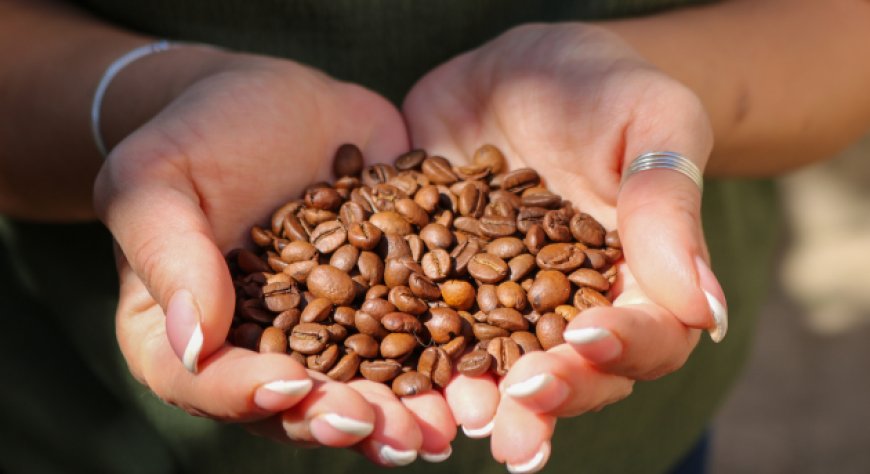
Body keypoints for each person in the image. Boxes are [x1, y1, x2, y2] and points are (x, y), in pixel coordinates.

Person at [1, 0, 868, 472]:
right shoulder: (356, 266)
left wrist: (657, 92)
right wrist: (136, 105)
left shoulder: (496, 248)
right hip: (83, 422)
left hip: (636, 448)